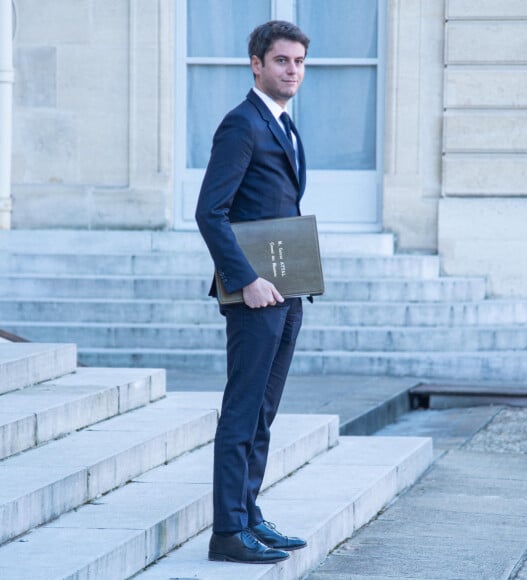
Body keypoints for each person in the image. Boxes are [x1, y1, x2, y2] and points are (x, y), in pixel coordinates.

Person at [195, 20, 310, 564]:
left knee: (264, 411)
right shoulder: (241, 124)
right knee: (242, 411)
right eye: (282, 61)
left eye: (299, 62)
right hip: (253, 295)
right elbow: (209, 213)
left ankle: (249, 514)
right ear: (256, 64)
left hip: (287, 291)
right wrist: (246, 279)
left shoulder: (283, 125)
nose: (292, 70)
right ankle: (227, 531)